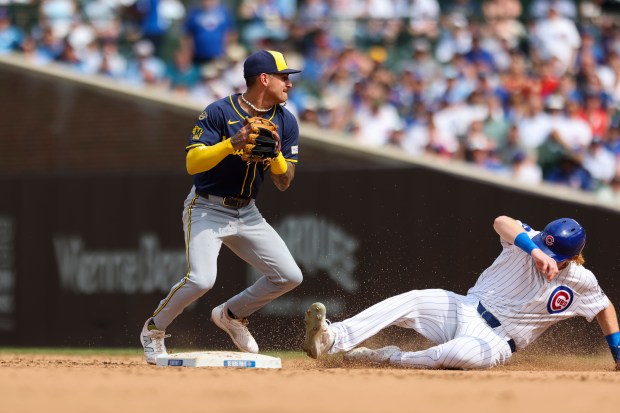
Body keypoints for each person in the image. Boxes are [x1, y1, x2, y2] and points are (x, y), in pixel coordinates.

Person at [140, 50, 303, 364]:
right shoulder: (219, 111)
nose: (289, 84)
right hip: (207, 208)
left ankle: (231, 315)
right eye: (284, 77)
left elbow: (285, 181)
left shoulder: (286, 121)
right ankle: (153, 329)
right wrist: (233, 143)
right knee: (201, 280)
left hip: (247, 211)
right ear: (264, 79)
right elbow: (192, 163)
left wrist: (275, 155)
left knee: (289, 276)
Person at [303, 215, 620, 371]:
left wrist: (617, 353)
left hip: (496, 341)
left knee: (457, 355)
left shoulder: (580, 279)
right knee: (414, 298)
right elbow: (502, 222)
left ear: (568, 257)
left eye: (550, 251)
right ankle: (333, 337)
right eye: (541, 242)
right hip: (466, 306)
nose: (540, 248)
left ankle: (388, 357)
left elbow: (604, 308)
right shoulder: (532, 240)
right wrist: (533, 249)